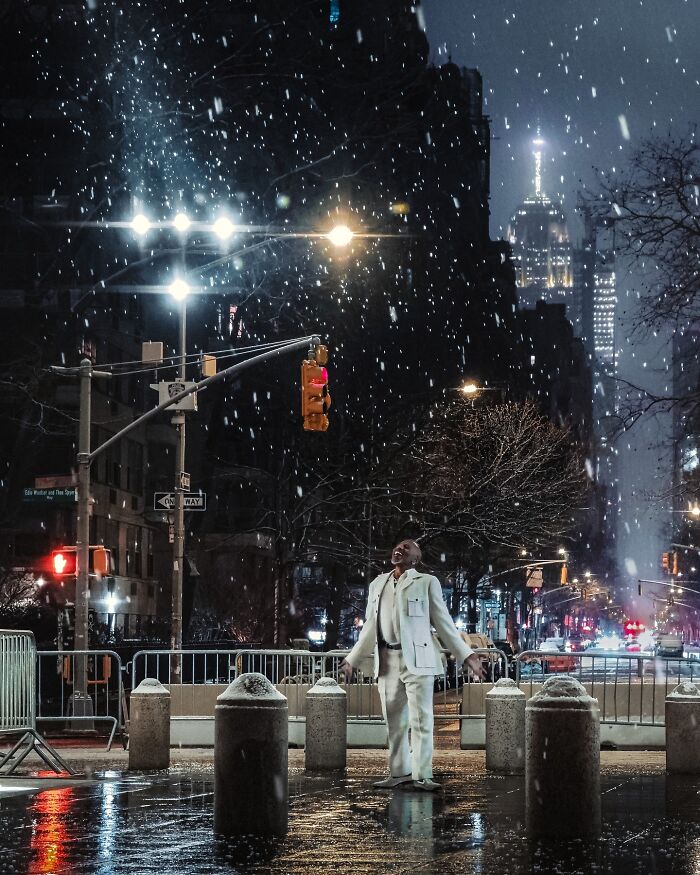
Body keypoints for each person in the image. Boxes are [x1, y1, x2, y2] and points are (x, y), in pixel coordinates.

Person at [340, 539, 485, 792]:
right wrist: (352, 659)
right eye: (397, 547)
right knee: (393, 722)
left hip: (418, 660)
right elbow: (370, 627)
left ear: (415, 559)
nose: (399, 549)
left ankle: (423, 774)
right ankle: (399, 772)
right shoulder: (377, 584)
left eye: (406, 548)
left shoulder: (427, 582)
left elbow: (443, 622)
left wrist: (467, 655)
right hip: (387, 660)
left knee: (421, 720)